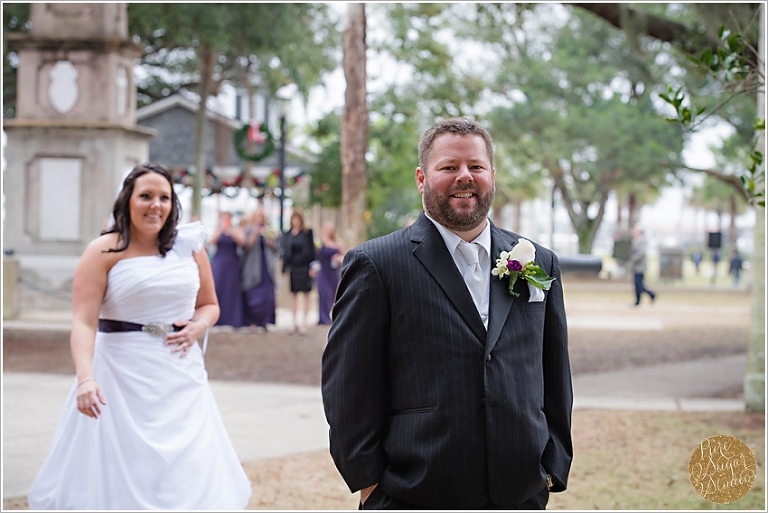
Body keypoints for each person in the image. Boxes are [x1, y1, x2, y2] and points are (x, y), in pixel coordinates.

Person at [321, 118, 572, 510]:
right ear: (422, 178)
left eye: (475, 166)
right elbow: (347, 387)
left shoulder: (540, 261)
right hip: (415, 491)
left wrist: (552, 466)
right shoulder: (376, 264)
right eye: (449, 167)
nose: (464, 177)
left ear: (492, 174)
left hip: (520, 492)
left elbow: (555, 371)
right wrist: (370, 483)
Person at [27, 163, 251, 509]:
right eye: (146, 196)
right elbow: (84, 321)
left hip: (179, 371)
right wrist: (86, 379)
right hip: (118, 371)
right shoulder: (103, 250)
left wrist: (198, 326)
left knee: (186, 461)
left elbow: (209, 304)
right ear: (127, 201)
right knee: (122, 461)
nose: (155, 205)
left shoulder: (189, 245)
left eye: (164, 197)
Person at [240, 208, 278, 331]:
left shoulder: (268, 230)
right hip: (253, 267)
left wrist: (270, 240)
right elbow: (246, 247)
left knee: (267, 296)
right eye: (257, 216)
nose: (259, 218)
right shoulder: (249, 229)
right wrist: (255, 233)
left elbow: (275, 248)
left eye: (261, 216)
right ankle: (252, 322)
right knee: (253, 294)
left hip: (266, 266)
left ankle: (265, 321)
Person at [280, 209, 316, 335]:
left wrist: (313, 267)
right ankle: (293, 323)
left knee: (306, 294)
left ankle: (303, 324)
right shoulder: (287, 234)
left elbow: (312, 251)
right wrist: (283, 269)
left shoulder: (307, 233)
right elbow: (285, 253)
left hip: (305, 267)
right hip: (293, 268)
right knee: (293, 295)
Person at [210, 211, 244, 328]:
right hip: (219, 263)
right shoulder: (218, 229)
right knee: (218, 288)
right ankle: (216, 320)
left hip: (232, 263)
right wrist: (221, 229)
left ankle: (232, 320)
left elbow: (242, 241)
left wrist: (230, 231)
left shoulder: (235, 230)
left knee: (231, 291)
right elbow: (211, 241)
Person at [316, 221, 344, 325]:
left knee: (332, 294)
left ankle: (328, 314)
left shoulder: (338, 244)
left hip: (333, 272)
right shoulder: (319, 242)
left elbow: (343, 257)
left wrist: (338, 259)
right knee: (324, 293)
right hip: (323, 271)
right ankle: (323, 318)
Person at [629, 226, 656, 306]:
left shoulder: (641, 240)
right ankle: (638, 301)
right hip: (637, 266)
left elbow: (641, 253)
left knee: (639, 284)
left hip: (639, 266)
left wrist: (633, 259)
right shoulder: (637, 240)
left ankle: (651, 294)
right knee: (638, 284)